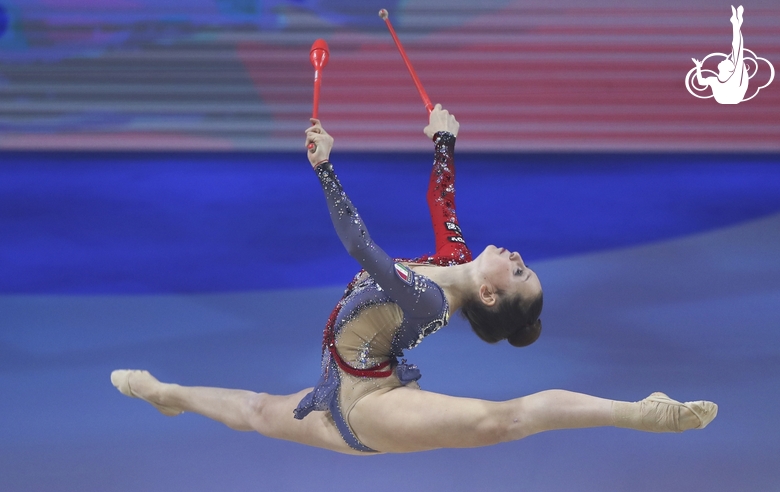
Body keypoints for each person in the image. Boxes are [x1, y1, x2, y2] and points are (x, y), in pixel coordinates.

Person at [111, 104, 717, 455]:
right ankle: (166, 396)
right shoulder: (452, 259)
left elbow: (357, 243)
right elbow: (442, 199)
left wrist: (325, 169)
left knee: (496, 421)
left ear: (489, 293)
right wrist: (444, 140)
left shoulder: (424, 297)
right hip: (332, 385)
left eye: (519, 271)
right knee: (247, 408)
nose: (517, 255)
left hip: (372, 404)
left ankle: (639, 411)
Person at [692, 5, 748, 104]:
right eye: (727, 60)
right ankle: (736, 24)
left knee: (737, 51)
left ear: (729, 69)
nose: (724, 59)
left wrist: (736, 25)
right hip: (728, 97)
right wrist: (698, 67)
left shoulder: (733, 77)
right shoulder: (714, 80)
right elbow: (701, 82)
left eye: (727, 61)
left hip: (732, 96)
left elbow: (738, 49)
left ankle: (736, 24)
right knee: (737, 52)